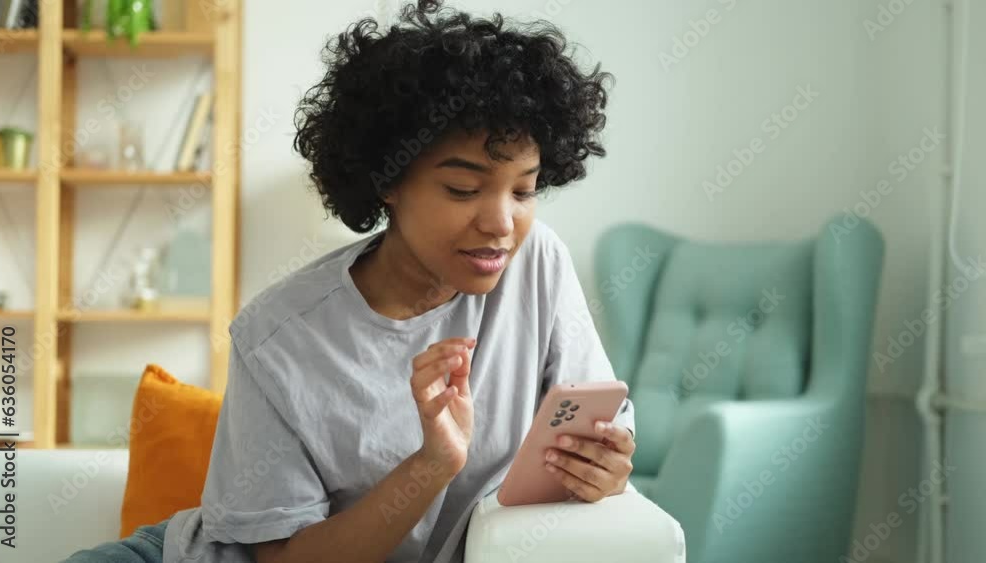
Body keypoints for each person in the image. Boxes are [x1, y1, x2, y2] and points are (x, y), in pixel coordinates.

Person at [63, 0, 635, 561]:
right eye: (463, 189)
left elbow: (599, 423)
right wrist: (431, 464)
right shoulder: (277, 336)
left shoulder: (535, 265)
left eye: (524, 190)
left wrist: (604, 467)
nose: (500, 223)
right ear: (388, 180)